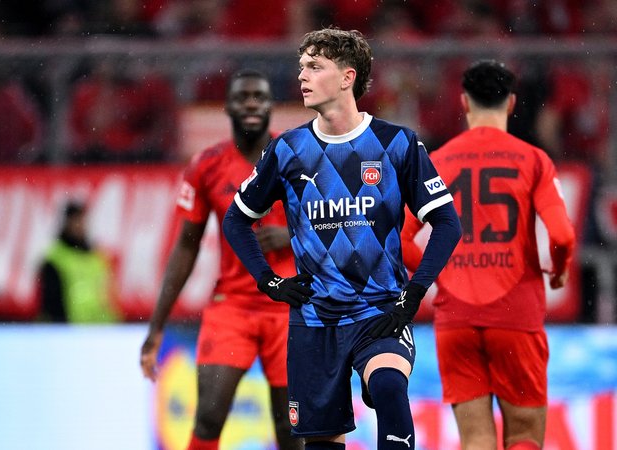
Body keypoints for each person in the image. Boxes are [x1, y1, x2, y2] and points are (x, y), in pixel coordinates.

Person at [222, 28, 462, 450]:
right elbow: (236, 220)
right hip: (315, 320)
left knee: (389, 388)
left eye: (315, 67)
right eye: (301, 67)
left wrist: (415, 291)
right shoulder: (288, 150)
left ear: (348, 77)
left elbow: (447, 223)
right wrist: (269, 281)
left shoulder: (396, 143)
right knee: (321, 443)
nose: (302, 76)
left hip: (380, 312)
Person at [401, 60, 576, 450]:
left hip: (456, 317)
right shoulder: (533, 160)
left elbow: (400, 240)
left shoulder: (437, 162)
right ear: (512, 103)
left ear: (464, 102)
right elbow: (562, 235)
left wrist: (440, 276)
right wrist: (559, 272)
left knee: (476, 439)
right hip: (516, 313)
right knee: (526, 436)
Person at [140, 69, 303, 450]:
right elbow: (186, 247)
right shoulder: (207, 165)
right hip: (232, 306)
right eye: (243, 97)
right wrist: (157, 325)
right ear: (228, 106)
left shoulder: (300, 159)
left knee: (290, 430)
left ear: (270, 108)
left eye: (259, 97)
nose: (251, 104)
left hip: (290, 309)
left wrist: (291, 237)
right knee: (210, 414)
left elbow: (337, 225)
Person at [38, 201, 119, 323]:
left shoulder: (98, 258)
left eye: (82, 221)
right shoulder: (55, 260)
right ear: (66, 223)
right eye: (75, 221)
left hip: (102, 330)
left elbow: (110, 297)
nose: (80, 225)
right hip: (71, 332)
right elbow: (51, 304)